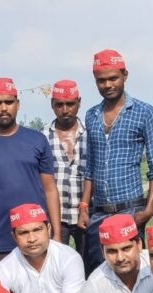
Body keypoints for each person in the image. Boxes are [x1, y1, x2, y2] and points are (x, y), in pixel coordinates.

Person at [79, 49, 153, 274]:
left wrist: (148, 211)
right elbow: (90, 165)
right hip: (99, 211)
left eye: (113, 78)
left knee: (130, 271)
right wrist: (84, 207)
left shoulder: (144, 112)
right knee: (99, 272)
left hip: (130, 208)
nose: (107, 85)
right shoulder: (92, 114)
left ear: (125, 75)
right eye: (101, 80)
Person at [0, 77, 61, 266]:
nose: (3, 108)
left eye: (9, 102)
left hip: (36, 236)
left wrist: (57, 234)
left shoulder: (37, 140)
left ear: (17, 104)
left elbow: (50, 188)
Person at [43, 79, 87, 256]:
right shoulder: (43, 136)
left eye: (70, 104)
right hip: (56, 216)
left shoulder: (90, 134)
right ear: (52, 105)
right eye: (59, 105)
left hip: (85, 213)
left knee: (89, 263)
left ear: (79, 103)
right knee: (57, 262)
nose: (65, 110)